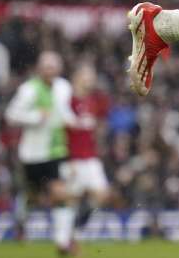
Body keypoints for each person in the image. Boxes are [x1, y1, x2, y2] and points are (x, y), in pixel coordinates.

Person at [5, 51, 78, 255]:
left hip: (56, 151)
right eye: (46, 67)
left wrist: (75, 121)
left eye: (53, 67)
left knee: (60, 194)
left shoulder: (64, 87)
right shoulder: (28, 89)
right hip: (32, 154)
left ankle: (62, 243)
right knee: (33, 197)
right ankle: (20, 221)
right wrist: (36, 116)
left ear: (59, 69)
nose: (50, 71)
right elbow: (11, 115)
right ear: (39, 69)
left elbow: (64, 111)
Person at [66, 64, 112, 239]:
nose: (91, 80)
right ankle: (69, 238)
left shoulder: (94, 101)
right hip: (73, 158)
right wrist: (66, 158)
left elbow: (100, 123)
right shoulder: (68, 100)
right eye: (88, 76)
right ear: (77, 77)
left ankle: (78, 224)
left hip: (90, 157)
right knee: (71, 199)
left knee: (102, 194)